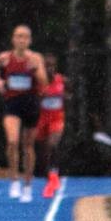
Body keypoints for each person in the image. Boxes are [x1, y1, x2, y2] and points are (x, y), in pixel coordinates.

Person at [0, 25, 49, 202]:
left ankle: (28, 184)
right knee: (12, 141)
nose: (21, 39)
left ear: (29, 40)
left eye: (25, 37)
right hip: (12, 104)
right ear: (13, 39)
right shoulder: (4, 57)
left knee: (28, 146)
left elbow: (44, 83)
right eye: (18, 36)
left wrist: (35, 69)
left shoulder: (36, 58)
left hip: (30, 103)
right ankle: (14, 180)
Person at [34, 52, 66, 196]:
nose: (49, 69)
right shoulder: (38, 83)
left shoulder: (62, 80)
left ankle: (54, 174)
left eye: (52, 66)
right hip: (41, 119)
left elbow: (70, 95)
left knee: (53, 144)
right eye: (46, 66)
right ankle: (47, 174)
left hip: (57, 118)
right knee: (43, 149)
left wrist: (65, 97)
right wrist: (40, 96)